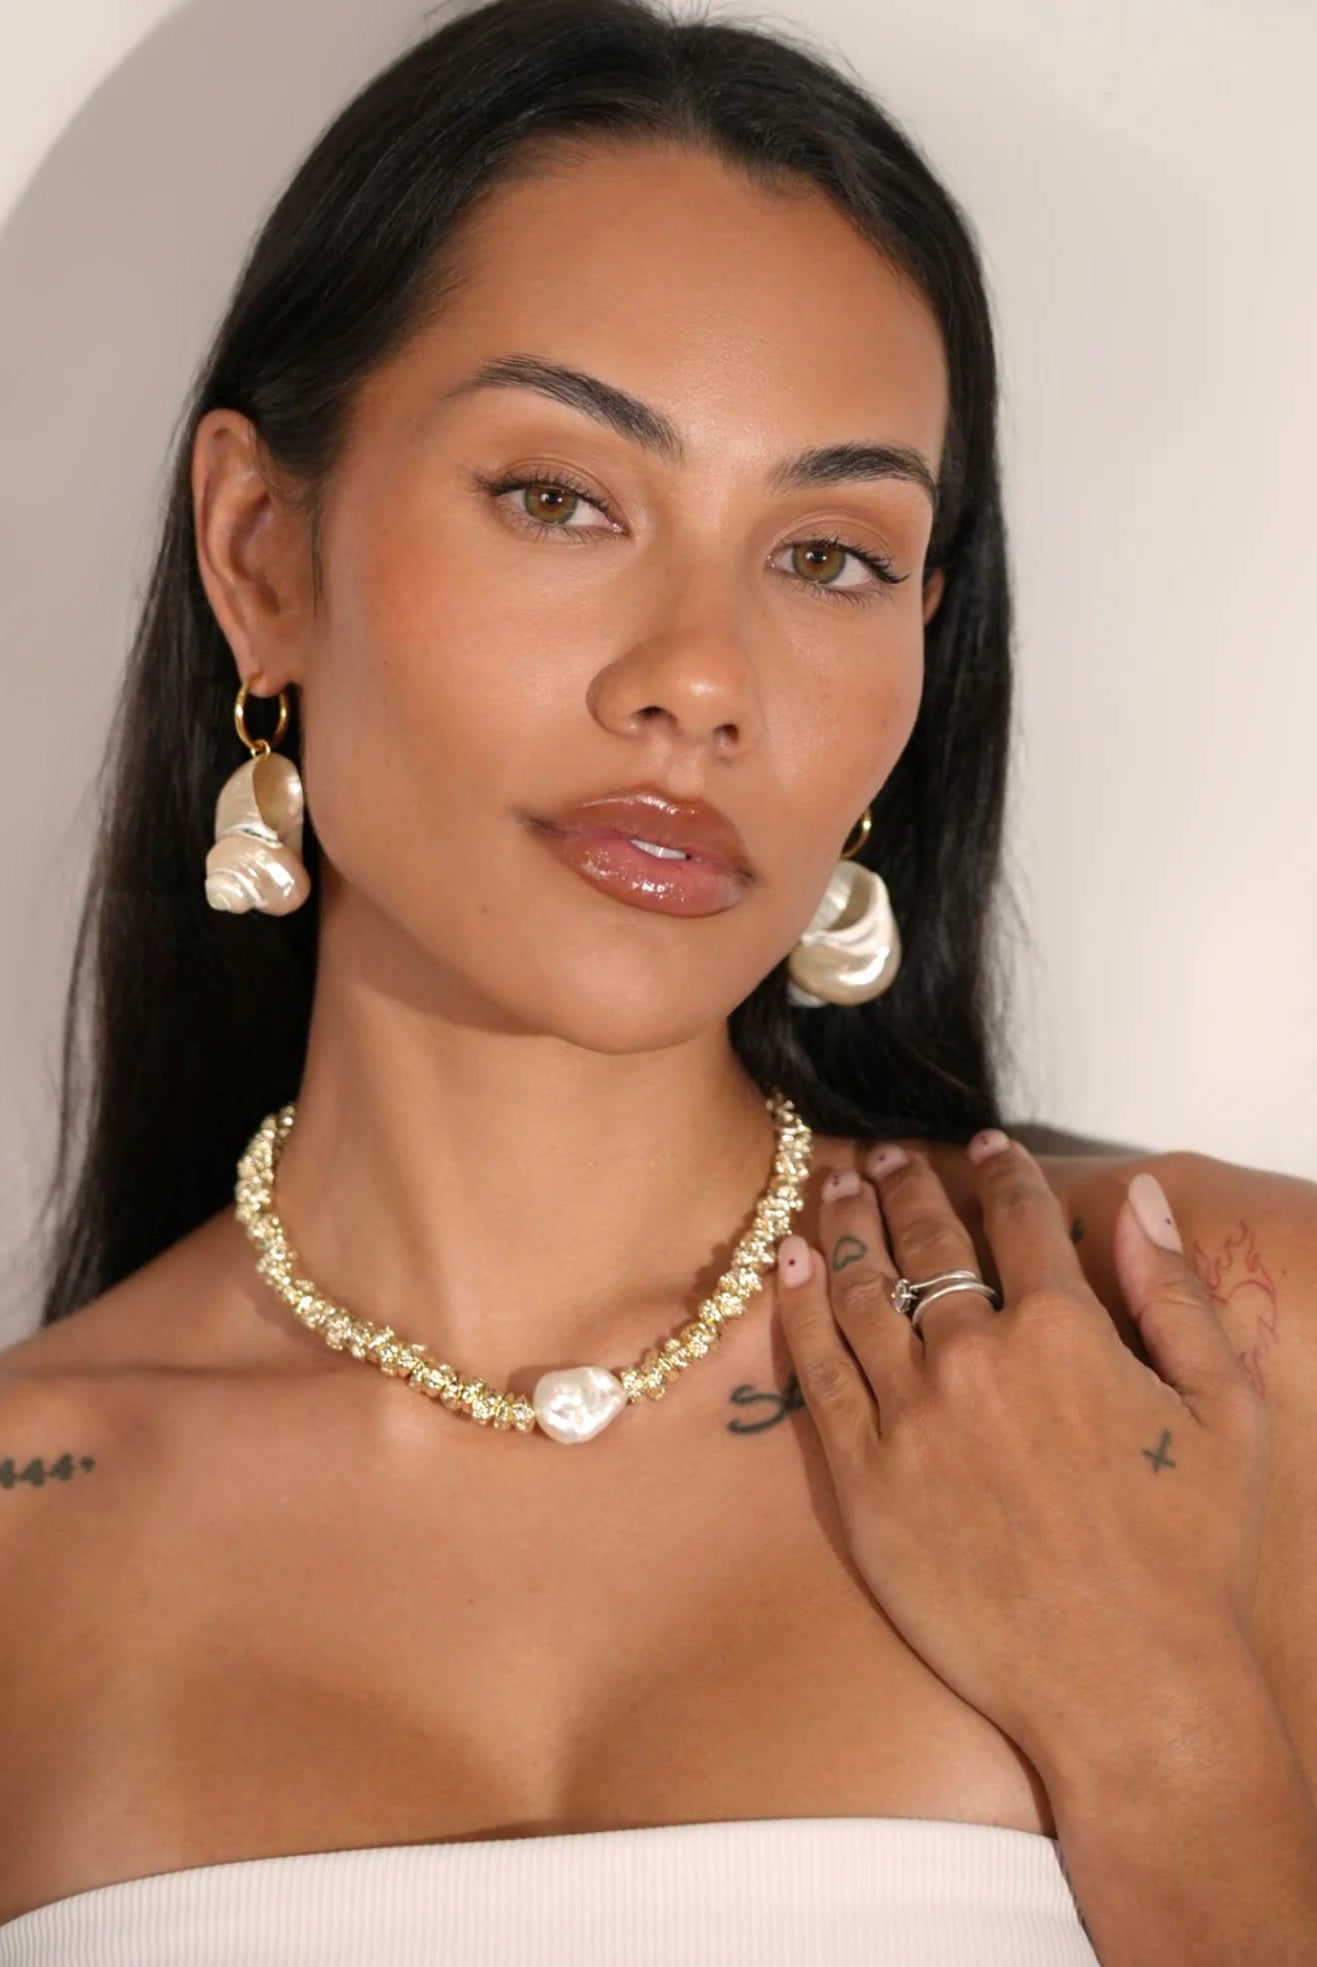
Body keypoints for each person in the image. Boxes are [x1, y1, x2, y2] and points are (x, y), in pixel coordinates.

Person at [2, 0, 1315, 1958]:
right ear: (263, 550)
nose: (699, 677)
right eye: (560, 499)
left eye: (827, 557)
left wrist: (1157, 1729)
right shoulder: (31, 1528)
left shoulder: (1204, 1349)